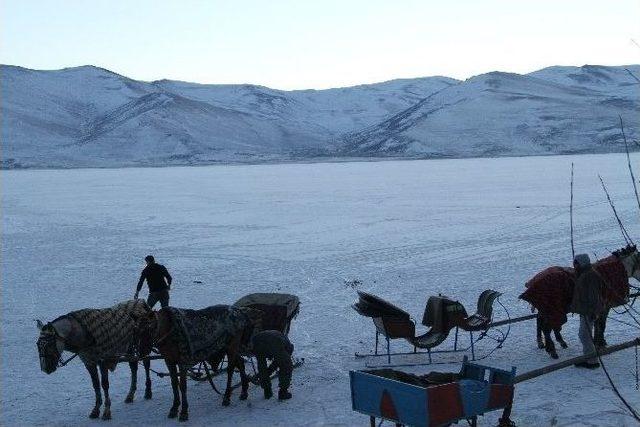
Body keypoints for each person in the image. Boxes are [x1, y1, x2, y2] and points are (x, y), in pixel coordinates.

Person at [570, 253, 605, 369]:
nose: (574, 265)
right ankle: (589, 358)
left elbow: (594, 296)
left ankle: (592, 361)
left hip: (589, 312)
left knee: (585, 335)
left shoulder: (590, 275)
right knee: (584, 334)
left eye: (576, 263)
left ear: (581, 263)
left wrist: (593, 312)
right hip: (585, 311)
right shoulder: (584, 273)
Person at [251, 330, 294, 400]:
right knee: (287, 365)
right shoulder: (287, 346)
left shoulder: (283, 339)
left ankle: (267, 391)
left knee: (262, 366)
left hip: (257, 340)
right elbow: (281, 362)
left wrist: (268, 371)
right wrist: (270, 370)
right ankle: (283, 392)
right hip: (274, 341)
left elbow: (276, 362)